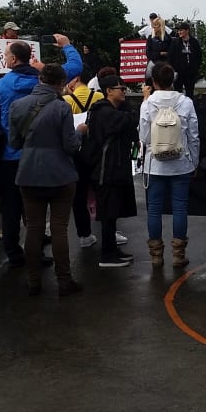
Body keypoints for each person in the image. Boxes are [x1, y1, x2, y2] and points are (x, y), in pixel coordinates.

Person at [0, 36, 81, 268]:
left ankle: (15, 253)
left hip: (11, 157)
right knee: (42, 217)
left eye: (5, 55)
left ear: (13, 59)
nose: (3, 58)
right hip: (49, 158)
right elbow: (76, 67)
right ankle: (43, 256)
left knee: (11, 209)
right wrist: (67, 45)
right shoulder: (46, 81)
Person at [9, 63, 83, 296]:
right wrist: (80, 132)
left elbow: (14, 143)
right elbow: (70, 146)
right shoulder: (61, 108)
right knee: (59, 228)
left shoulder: (18, 105)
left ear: (40, 80)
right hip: (60, 175)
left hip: (28, 173)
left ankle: (33, 281)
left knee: (33, 227)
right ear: (61, 84)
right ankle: (64, 280)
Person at [139, 62, 200, 268]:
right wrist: (195, 160)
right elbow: (194, 136)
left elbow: (144, 136)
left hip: (154, 164)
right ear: (172, 80)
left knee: (154, 209)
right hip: (181, 163)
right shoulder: (186, 102)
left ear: (154, 82)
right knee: (180, 207)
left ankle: (156, 255)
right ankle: (178, 254)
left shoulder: (147, 104)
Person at [86, 74, 139, 268]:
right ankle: (107, 254)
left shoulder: (107, 110)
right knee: (108, 212)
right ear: (108, 91)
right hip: (106, 170)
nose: (124, 92)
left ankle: (111, 250)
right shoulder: (103, 111)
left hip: (112, 168)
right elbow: (129, 121)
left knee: (112, 211)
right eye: (121, 89)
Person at [63, 71, 101, 248]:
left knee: (78, 195)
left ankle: (84, 234)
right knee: (102, 190)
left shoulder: (66, 101)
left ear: (76, 78)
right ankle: (109, 229)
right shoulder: (100, 97)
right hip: (98, 151)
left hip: (76, 153)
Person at [170, 21, 202, 98]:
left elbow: (199, 56)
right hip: (179, 73)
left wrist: (196, 68)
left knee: (190, 94)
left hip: (190, 73)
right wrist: (174, 69)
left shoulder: (194, 42)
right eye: (178, 30)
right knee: (177, 94)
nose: (179, 32)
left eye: (181, 30)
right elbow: (171, 57)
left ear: (187, 30)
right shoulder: (175, 42)